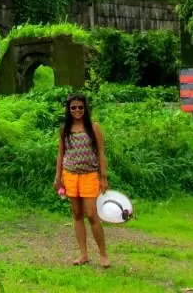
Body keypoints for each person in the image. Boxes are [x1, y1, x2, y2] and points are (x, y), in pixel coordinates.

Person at [54, 93, 111, 268]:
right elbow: (61, 154)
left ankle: (103, 255)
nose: (77, 110)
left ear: (85, 108)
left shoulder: (94, 128)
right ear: (68, 109)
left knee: (92, 215)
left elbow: (100, 153)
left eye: (80, 107)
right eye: (73, 107)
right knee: (77, 215)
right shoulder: (64, 130)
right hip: (70, 176)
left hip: (89, 175)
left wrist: (103, 177)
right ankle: (83, 254)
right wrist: (58, 177)